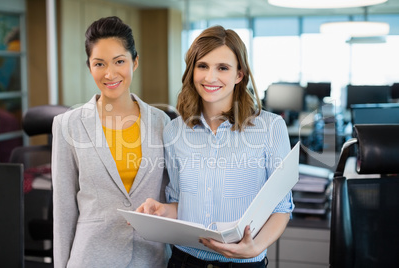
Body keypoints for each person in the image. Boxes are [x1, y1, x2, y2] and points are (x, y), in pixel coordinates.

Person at [137, 25, 294, 267]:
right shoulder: (174, 131)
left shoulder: (271, 128)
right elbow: (181, 203)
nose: (210, 77)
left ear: (239, 75)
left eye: (223, 68)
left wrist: (256, 247)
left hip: (244, 263)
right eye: (203, 66)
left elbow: (282, 207)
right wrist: (159, 211)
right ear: (192, 71)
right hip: (184, 261)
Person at [51, 16, 170, 267]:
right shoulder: (68, 125)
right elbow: (63, 210)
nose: (110, 73)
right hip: (91, 257)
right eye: (99, 64)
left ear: (134, 62)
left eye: (119, 61)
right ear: (89, 67)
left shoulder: (162, 123)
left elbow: (169, 197)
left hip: (151, 258)